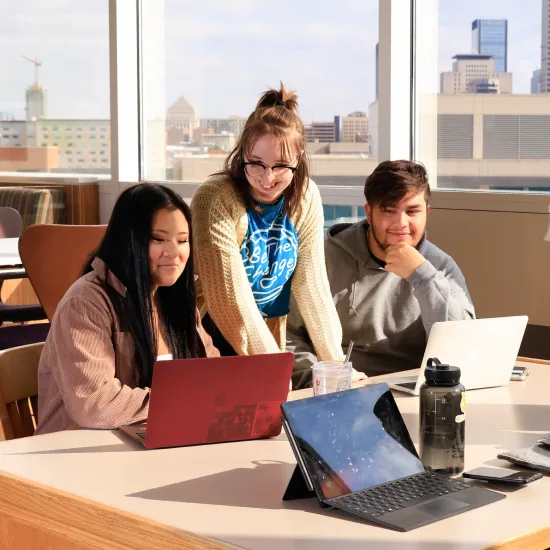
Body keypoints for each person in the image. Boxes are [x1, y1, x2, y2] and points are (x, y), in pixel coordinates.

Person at [191, 83, 352, 375]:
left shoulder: (305, 196)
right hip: (208, 333)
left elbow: (311, 284)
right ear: (242, 155)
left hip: (266, 332)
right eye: (256, 164)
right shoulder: (214, 198)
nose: (267, 178)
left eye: (280, 166)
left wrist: (338, 368)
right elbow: (228, 299)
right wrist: (273, 367)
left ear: (298, 160)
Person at [35, 183, 219, 435]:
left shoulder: (176, 300)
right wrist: (182, 399)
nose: (174, 252)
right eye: (158, 239)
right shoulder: (86, 302)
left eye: (183, 240)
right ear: (128, 240)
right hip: (79, 454)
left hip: (150, 445)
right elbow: (93, 404)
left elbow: (213, 375)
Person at [287, 160, 475, 388]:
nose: (401, 224)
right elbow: (288, 335)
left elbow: (462, 343)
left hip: (417, 391)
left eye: (412, 211)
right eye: (389, 210)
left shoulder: (439, 266)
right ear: (369, 213)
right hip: (345, 391)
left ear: (426, 212)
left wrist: (422, 276)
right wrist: (324, 377)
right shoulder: (324, 259)